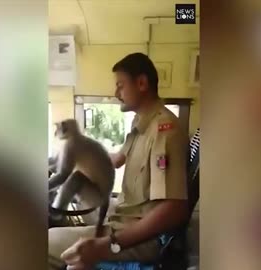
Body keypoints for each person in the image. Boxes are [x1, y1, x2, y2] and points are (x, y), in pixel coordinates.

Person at [48, 52, 189, 270]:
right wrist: (78, 152)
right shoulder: (141, 123)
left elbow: (174, 209)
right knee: (70, 200)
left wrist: (107, 246)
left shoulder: (164, 131)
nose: (116, 93)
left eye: (120, 85)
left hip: (141, 235)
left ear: (141, 83)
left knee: (45, 242)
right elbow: (115, 159)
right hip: (124, 214)